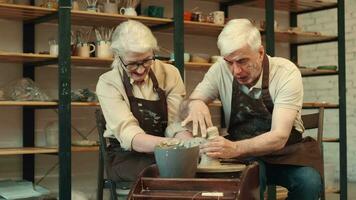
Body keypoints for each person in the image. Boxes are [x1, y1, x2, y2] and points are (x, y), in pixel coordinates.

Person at [180, 19, 323, 200]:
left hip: (285, 154)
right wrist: (195, 103)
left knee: (309, 182)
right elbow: (186, 106)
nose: (236, 70)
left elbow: (279, 137)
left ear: (260, 52)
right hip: (244, 157)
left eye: (242, 61)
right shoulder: (219, 71)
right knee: (246, 182)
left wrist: (235, 148)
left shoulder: (285, 72)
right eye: (229, 62)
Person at [96, 20, 190, 182]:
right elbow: (131, 136)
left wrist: (192, 145)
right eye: (132, 64)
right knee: (162, 173)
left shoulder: (170, 73)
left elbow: (175, 124)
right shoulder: (108, 83)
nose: (140, 70)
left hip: (168, 149)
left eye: (146, 60)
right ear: (118, 57)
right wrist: (174, 145)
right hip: (127, 155)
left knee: (194, 169)